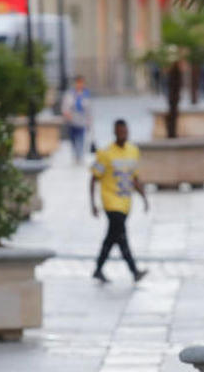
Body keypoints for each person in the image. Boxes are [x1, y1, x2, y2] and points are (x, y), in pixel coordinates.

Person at [90, 119, 149, 284]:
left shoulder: (133, 151)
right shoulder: (105, 154)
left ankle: (98, 269)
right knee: (121, 236)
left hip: (125, 202)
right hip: (111, 202)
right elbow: (93, 178)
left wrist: (144, 197)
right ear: (114, 132)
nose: (123, 135)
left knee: (112, 237)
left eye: (125, 132)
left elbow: (134, 178)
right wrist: (93, 204)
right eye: (120, 132)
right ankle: (134, 270)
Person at [61, 76, 93, 165]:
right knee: (73, 139)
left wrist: (89, 121)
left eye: (81, 82)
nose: (79, 84)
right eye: (78, 82)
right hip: (71, 121)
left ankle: (80, 156)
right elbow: (65, 107)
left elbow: (89, 110)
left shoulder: (86, 95)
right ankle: (75, 155)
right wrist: (67, 115)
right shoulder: (70, 94)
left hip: (82, 121)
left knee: (81, 139)